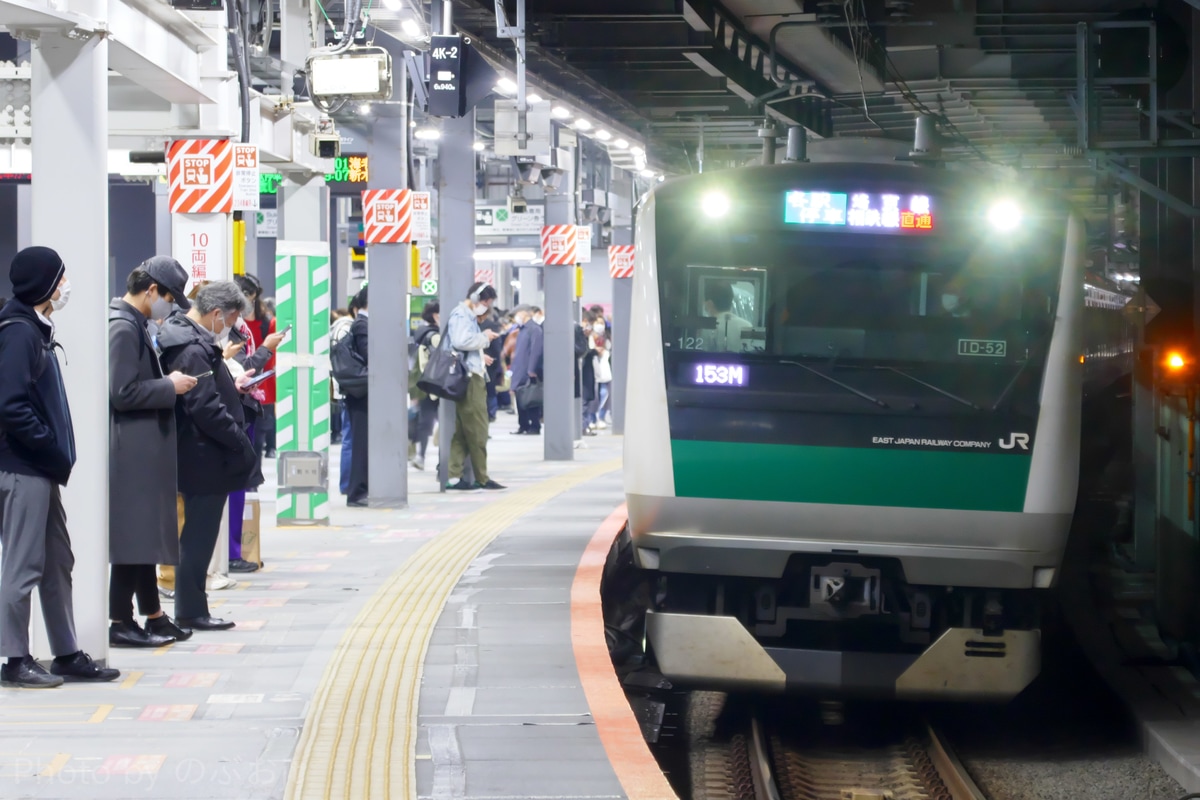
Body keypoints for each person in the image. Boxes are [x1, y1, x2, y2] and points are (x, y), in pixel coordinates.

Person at [0, 246, 120, 687]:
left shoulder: (34, 327)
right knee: (23, 564)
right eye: (62, 277)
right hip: (22, 467)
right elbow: (11, 405)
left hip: (39, 469)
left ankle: (66, 652)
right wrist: (49, 446)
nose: (66, 285)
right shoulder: (18, 332)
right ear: (47, 284)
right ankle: (14, 660)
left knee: (57, 561)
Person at [108, 257, 199, 647]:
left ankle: (153, 615)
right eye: (168, 297)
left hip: (142, 449)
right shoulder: (122, 326)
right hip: (132, 452)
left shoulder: (134, 323)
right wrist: (170, 386)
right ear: (151, 291)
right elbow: (122, 391)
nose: (170, 306)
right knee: (133, 539)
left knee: (142, 537)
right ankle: (120, 621)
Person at [158, 281, 258, 631]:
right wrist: (238, 440)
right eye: (230, 320)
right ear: (217, 313)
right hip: (204, 455)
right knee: (198, 537)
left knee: (198, 536)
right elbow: (205, 407)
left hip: (201, 452)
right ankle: (191, 610)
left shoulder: (187, 339)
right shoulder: (192, 347)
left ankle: (193, 607)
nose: (229, 327)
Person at [445, 283, 505, 491]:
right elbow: (461, 341)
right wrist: (484, 338)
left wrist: (480, 355)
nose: (486, 308)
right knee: (479, 428)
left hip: (470, 374)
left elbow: (463, 347)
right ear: (474, 297)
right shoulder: (462, 315)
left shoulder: (465, 315)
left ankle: (454, 477)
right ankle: (482, 477)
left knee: (462, 432)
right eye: (485, 303)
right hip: (470, 379)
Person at [343, 286, 370, 506]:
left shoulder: (362, 323)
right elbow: (370, 355)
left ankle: (362, 489)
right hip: (361, 393)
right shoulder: (362, 324)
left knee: (363, 442)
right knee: (361, 444)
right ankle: (357, 492)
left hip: (361, 392)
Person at [410, 302, 440, 471]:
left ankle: (420, 455)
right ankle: (443, 461)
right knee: (444, 421)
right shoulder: (433, 336)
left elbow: (414, 367)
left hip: (422, 386)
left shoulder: (419, 334)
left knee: (424, 422)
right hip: (437, 385)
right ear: (436, 315)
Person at [509, 306, 544, 435]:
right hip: (520, 369)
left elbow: (536, 350)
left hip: (528, 370)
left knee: (531, 399)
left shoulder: (534, 329)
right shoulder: (522, 330)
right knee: (520, 397)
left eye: (517, 314)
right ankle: (523, 425)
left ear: (524, 314)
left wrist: (531, 369)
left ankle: (534, 426)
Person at [704, 282, 753, 353]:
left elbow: (701, 356)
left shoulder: (707, 328)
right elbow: (754, 351)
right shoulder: (748, 326)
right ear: (731, 299)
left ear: (709, 303)